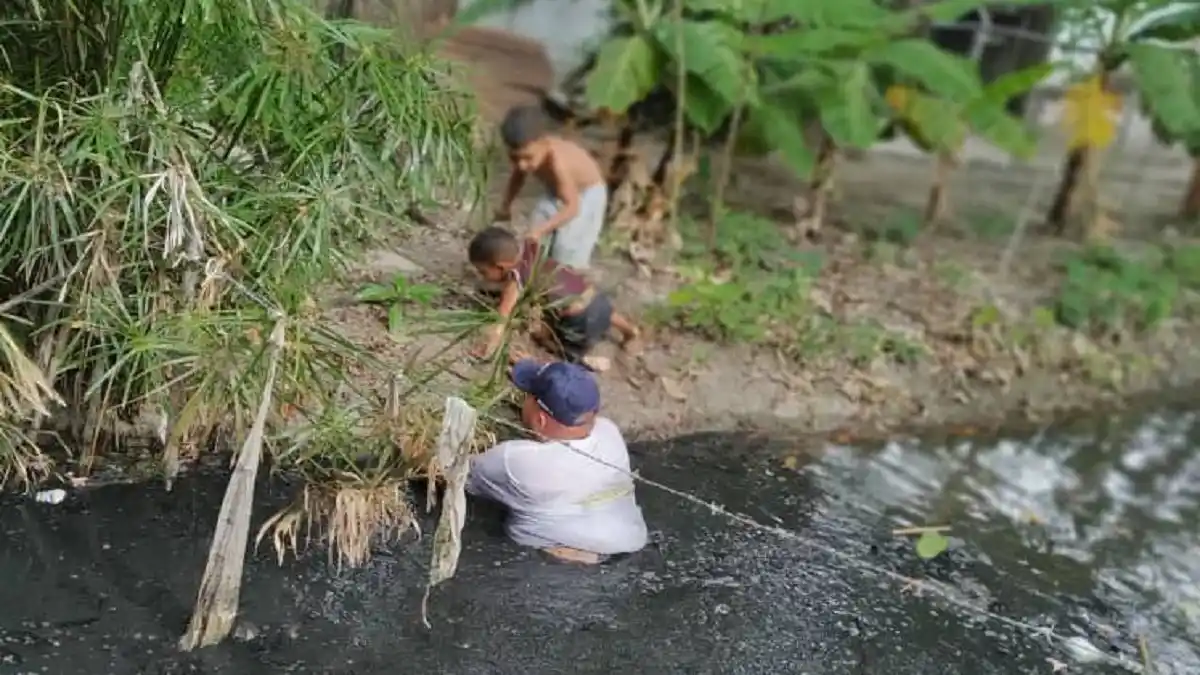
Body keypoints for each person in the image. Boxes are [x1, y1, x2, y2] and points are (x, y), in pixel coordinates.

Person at [466, 358, 648, 564]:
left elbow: (461, 475)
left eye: (528, 396)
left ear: (540, 420)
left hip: (549, 561)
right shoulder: (609, 431)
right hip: (631, 543)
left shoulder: (515, 459)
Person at [467, 225, 641, 368]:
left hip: (581, 321)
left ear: (501, 267)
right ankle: (631, 330)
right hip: (596, 298)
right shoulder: (529, 248)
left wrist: (487, 345)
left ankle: (582, 359)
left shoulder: (515, 281)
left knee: (542, 335)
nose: (482, 277)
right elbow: (534, 236)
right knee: (604, 311)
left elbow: (502, 318)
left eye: (483, 272)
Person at [495, 105, 607, 270]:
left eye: (527, 158)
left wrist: (541, 231)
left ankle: (573, 289)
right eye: (515, 158)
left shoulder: (559, 164)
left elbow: (572, 207)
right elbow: (517, 177)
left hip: (586, 195)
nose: (522, 165)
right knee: (535, 234)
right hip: (557, 192)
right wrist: (505, 206)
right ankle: (531, 280)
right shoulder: (530, 157)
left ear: (544, 143)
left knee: (566, 247)